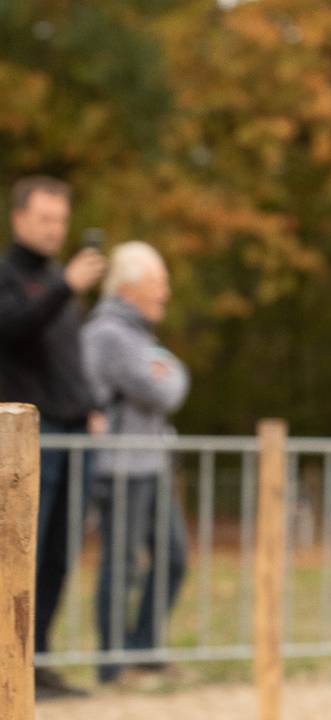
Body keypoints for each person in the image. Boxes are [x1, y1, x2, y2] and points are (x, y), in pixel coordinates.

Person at [0, 175, 105, 698]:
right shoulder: (10, 276)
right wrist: (65, 287)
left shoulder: (61, 284)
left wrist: (90, 405)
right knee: (24, 552)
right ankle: (11, 663)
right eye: (44, 218)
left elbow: (67, 358)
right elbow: (12, 329)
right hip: (26, 438)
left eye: (61, 220)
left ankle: (37, 659)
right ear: (18, 218)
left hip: (71, 433)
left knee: (60, 555)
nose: (54, 229)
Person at [80, 241, 189, 685]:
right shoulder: (107, 333)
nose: (165, 292)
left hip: (151, 462)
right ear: (128, 288)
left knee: (173, 557)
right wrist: (163, 372)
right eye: (158, 283)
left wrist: (166, 371)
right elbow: (159, 388)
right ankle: (112, 664)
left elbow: (175, 380)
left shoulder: (140, 334)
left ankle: (144, 648)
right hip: (121, 466)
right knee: (120, 564)